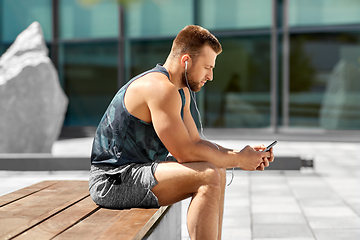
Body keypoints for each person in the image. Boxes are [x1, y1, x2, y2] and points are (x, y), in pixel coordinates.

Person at [89, 25, 274, 240]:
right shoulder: (160, 88)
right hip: (113, 180)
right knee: (209, 175)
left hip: (138, 169)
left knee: (218, 170)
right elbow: (185, 152)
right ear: (186, 61)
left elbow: (195, 141)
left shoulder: (180, 90)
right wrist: (240, 160)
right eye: (207, 67)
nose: (211, 76)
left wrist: (243, 153)